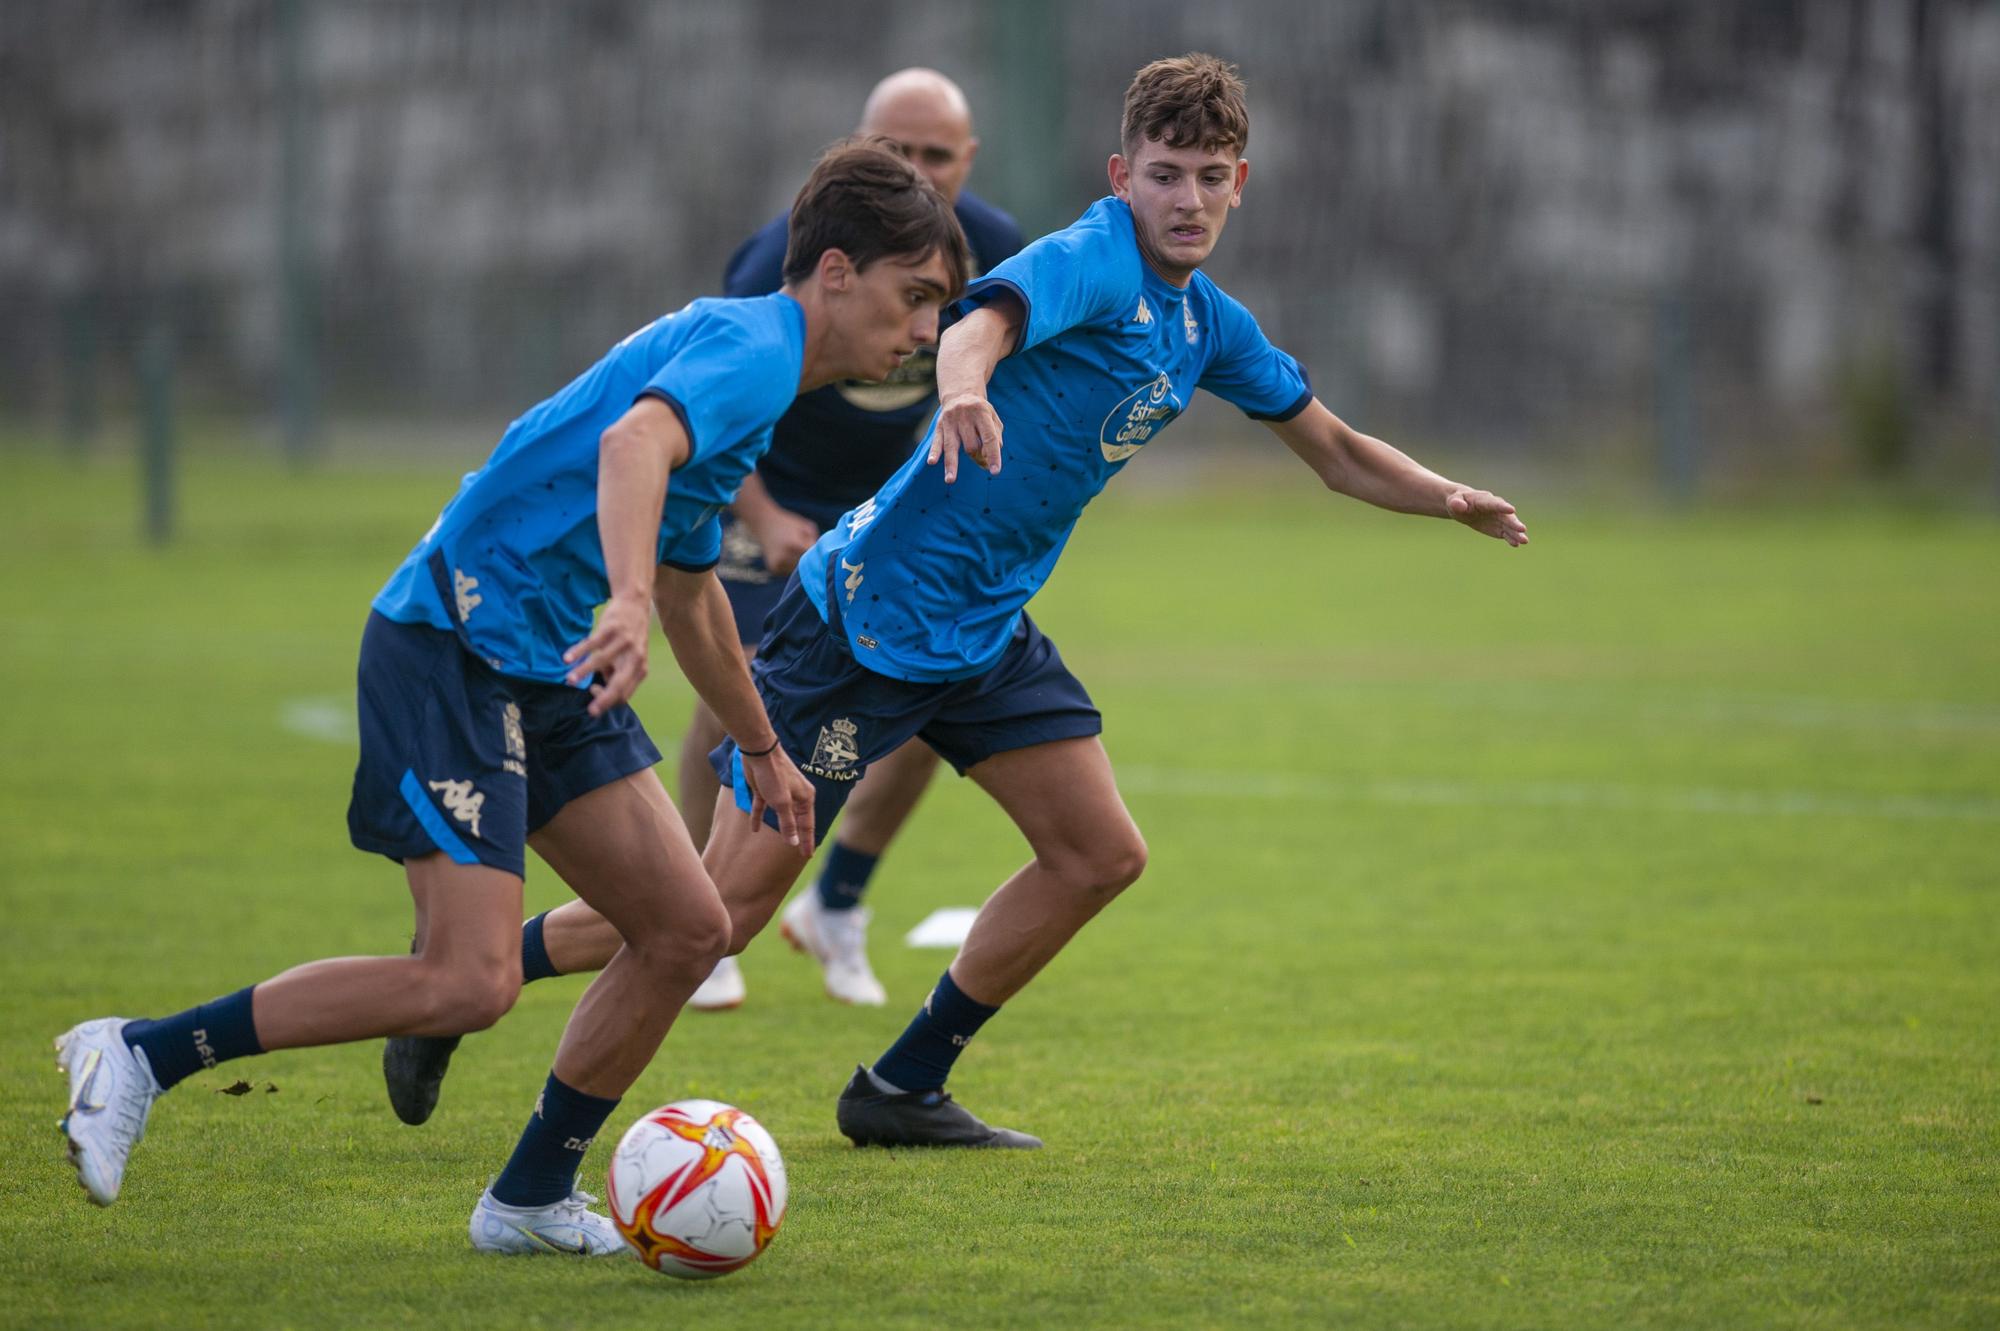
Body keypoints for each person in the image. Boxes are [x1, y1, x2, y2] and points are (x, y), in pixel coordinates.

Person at [387, 52, 1530, 1152]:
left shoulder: (1205, 326)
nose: (1186, 198)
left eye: (1209, 175)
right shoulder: (1090, 258)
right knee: (714, 913)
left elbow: (1330, 449)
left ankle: (901, 1083)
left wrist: (1445, 497)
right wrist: (965, 388)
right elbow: (981, 321)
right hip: (863, 623)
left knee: (1096, 853)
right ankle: (464, 990)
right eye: (1163, 172)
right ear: (1117, 174)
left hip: (982, 633)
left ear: (1241, 184)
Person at [52, 140, 971, 1250]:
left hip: (540, 662)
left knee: (688, 928)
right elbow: (635, 447)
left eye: (939, 308)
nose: (925, 333)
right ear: (833, 270)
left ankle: (530, 1196)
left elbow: (692, 591)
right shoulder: (753, 346)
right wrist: (622, 600)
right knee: (466, 979)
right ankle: (139, 1051)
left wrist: (761, 745)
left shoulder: (755, 387)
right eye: (913, 296)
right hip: (451, 639)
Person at [681, 68, 1023, 1011]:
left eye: (935, 155)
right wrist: (760, 518)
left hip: (881, 506)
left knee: (927, 690)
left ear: (969, 162)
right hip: (768, 486)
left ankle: (836, 905)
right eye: (894, 149)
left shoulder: (997, 254)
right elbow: (704, 409)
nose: (915, 168)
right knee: (740, 675)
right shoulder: (782, 256)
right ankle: (690, 916)